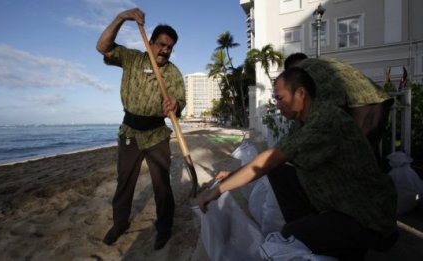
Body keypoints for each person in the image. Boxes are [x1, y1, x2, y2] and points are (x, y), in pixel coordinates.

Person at [198, 67, 398, 260]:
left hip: (366, 216)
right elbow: (272, 160)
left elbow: (271, 159)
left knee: (290, 235)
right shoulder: (303, 121)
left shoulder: (325, 119)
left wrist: (219, 189)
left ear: (301, 93)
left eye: (280, 98)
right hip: (338, 204)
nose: (277, 105)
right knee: (280, 173)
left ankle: (345, 250)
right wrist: (231, 175)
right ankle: (318, 233)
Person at [96, 8, 186, 250]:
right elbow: (102, 47)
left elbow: (180, 103)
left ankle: (164, 226)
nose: (165, 50)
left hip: (157, 134)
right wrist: (120, 18)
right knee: (125, 180)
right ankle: (120, 223)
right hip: (130, 132)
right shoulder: (132, 58)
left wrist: (175, 104)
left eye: (170, 47)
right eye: (161, 44)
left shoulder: (174, 73)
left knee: (161, 184)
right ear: (151, 42)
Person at [284, 53, 394, 161]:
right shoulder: (320, 64)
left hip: (364, 105)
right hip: (379, 100)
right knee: (367, 154)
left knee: (357, 154)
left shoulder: (306, 73)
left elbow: (319, 109)